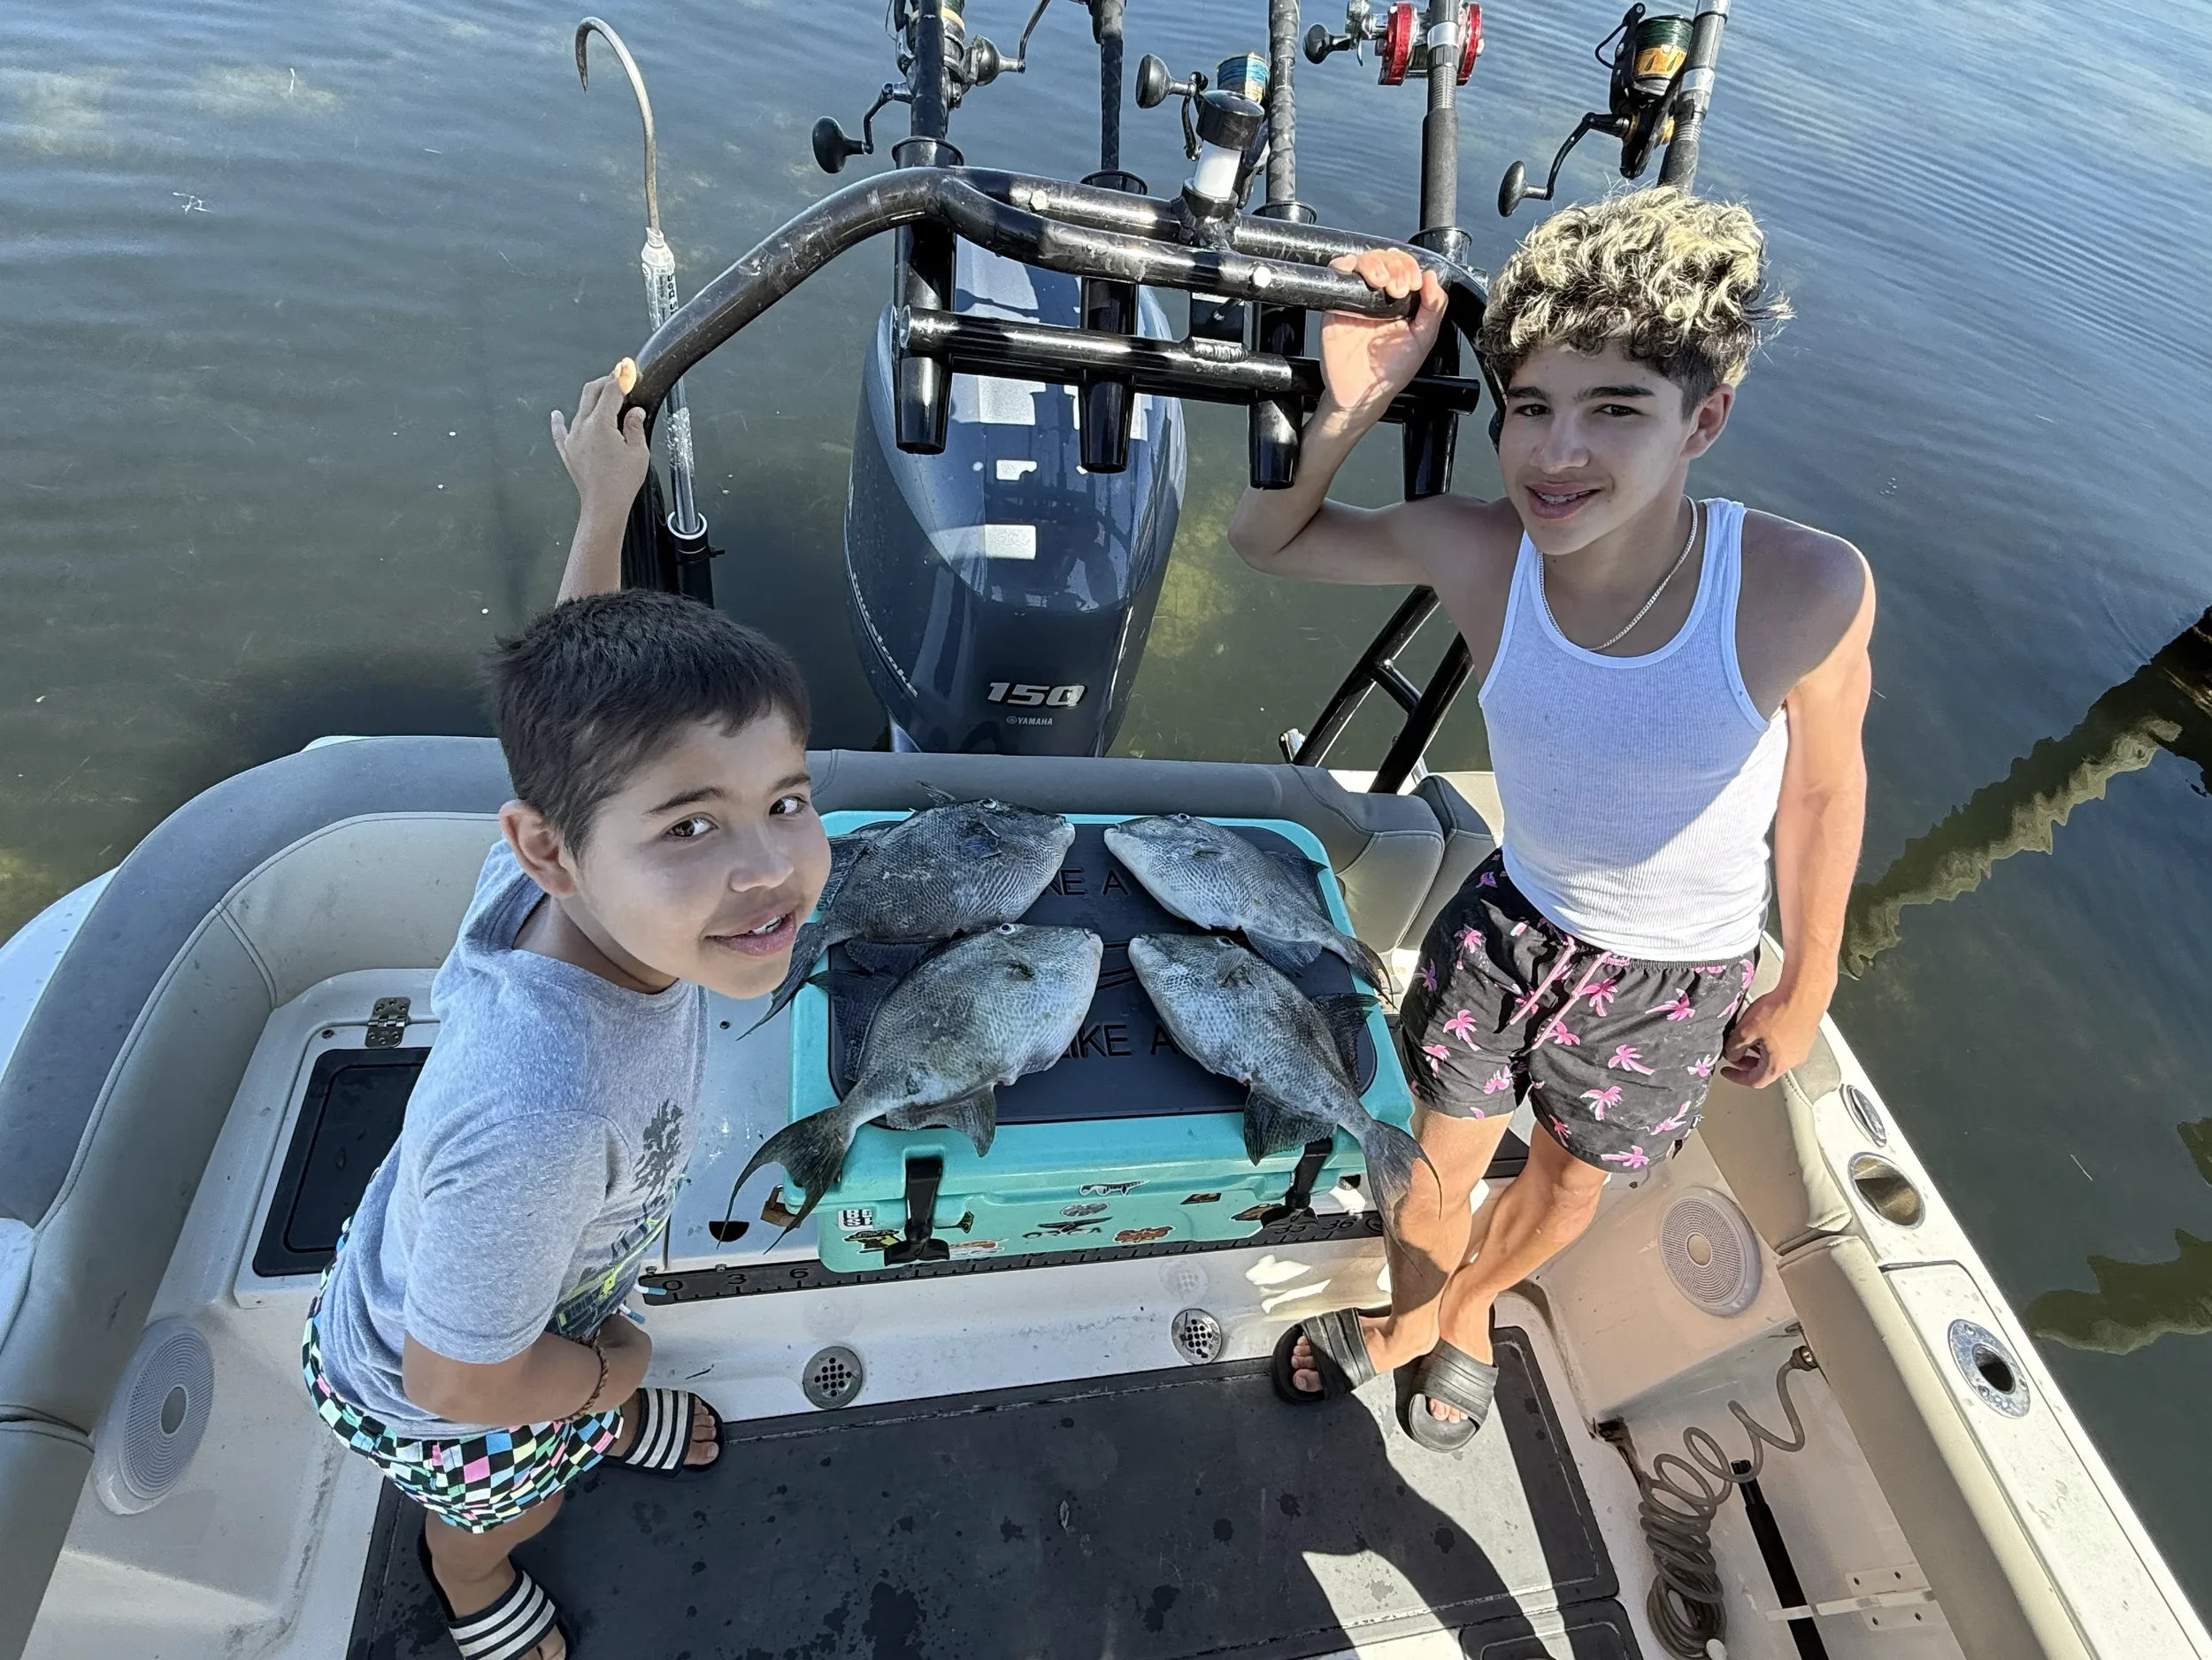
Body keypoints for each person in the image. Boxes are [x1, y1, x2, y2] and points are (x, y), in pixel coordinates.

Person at [1228, 188, 1873, 1449]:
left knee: (1570, 1187)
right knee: (1434, 1170)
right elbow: (1268, 540)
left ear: (1707, 419)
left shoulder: (1806, 586)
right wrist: (1352, 401)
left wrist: (1811, 983)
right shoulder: (1480, 553)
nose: (1554, 454)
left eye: (1616, 408)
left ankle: (1449, 1315)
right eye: (1530, 408)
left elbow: (1826, 784)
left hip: (1683, 977)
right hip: (1513, 925)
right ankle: (1428, 1315)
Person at [301, 370, 833, 1660]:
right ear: (552, 852)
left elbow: (572, 715)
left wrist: (605, 508)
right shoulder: (542, 1111)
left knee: (578, 1385)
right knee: (519, 1504)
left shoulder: (560, 874)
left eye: (786, 799)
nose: (770, 868)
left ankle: (592, 1415)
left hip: (532, 1300)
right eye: (692, 825)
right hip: (447, 1401)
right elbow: (460, 1385)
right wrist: (612, 1376)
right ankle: (473, 1584)